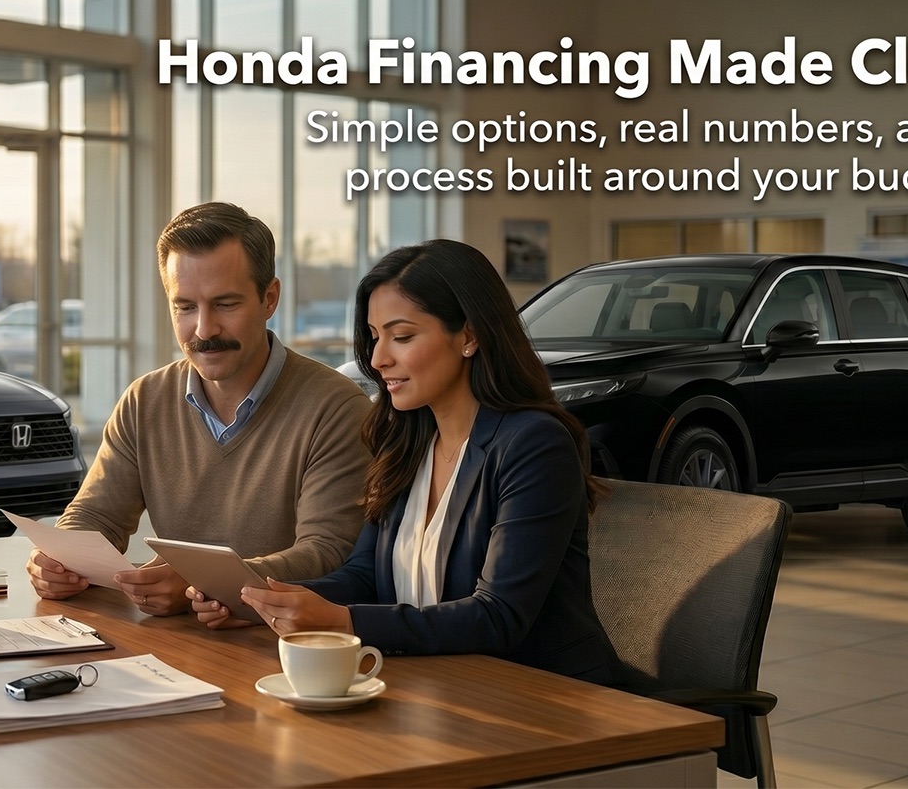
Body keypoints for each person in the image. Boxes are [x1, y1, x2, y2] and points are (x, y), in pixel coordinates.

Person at [190, 239, 617, 685]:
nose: (378, 358)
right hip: (436, 689)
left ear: (469, 336)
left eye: (403, 336)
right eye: (375, 337)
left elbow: (499, 617)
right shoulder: (408, 441)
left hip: (544, 696)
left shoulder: (534, 444)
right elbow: (364, 575)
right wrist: (268, 601)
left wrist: (342, 621)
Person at [27, 202, 372, 616]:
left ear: (269, 298)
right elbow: (95, 516)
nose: (204, 330)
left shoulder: (335, 408)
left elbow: (329, 552)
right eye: (185, 307)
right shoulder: (144, 401)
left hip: (284, 649)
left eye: (225, 304)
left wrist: (207, 583)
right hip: (175, 646)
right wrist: (59, 560)